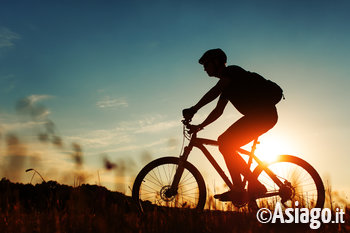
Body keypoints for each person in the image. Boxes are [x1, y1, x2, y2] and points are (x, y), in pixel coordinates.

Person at [182, 48, 279, 202]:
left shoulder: (232, 72)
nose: (204, 68)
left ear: (216, 62)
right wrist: (200, 126)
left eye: (206, 64)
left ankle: (239, 189)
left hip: (263, 115)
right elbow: (218, 111)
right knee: (226, 143)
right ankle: (249, 186)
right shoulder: (227, 86)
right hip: (260, 116)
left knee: (225, 142)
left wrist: (194, 109)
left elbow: (214, 91)